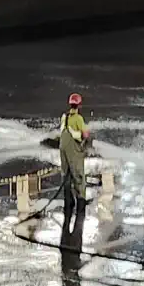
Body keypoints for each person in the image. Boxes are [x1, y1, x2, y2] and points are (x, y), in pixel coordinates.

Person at [59, 92, 90, 222]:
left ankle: (68, 202)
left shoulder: (64, 117)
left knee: (66, 174)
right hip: (73, 149)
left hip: (63, 148)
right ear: (79, 105)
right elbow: (85, 135)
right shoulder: (78, 118)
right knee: (78, 175)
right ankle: (80, 204)